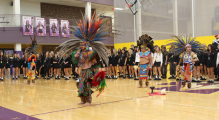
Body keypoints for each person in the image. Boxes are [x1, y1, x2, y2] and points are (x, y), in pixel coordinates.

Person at [57, 13, 110, 106]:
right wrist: (76, 60)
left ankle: (88, 101)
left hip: (88, 72)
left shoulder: (90, 53)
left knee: (87, 86)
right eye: (80, 45)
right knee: (80, 85)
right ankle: (83, 100)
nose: (81, 46)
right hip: (81, 72)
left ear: (86, 45)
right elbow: (76, 62)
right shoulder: (78, 52)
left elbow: (95, 62)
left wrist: (93, 58)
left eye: (83, 45)